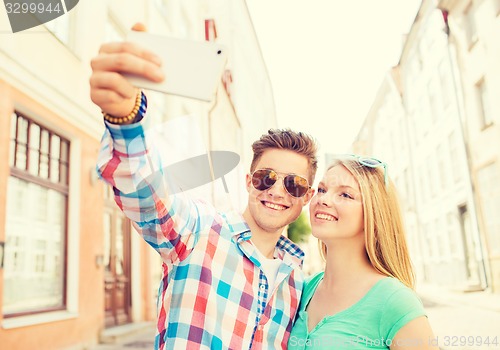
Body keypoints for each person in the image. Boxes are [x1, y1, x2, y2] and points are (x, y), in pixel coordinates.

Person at [90, 24, 318, 350]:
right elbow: (145, 194)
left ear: (307, 196)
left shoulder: (297, 281)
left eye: (294, 184)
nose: (278, 191)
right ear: (249, 181)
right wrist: (126, 118)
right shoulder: (199, 232)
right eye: (266, 177)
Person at [288, 155, 438, 350]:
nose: (323, 199)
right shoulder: (304, 289)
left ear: (373, 214)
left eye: (345, 195)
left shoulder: (395, 302)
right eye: (322, 189)